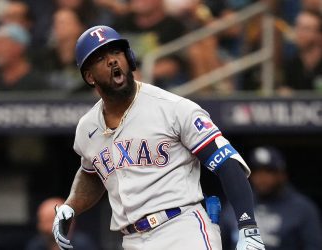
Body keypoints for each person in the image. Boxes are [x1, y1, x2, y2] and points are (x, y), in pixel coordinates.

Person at [52, 25, 265, 250]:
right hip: (132, 239)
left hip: (182, 229)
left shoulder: (173, 108)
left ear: (129, 58)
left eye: (116, 52)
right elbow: (92, 173)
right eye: (101, 58)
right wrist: (71, 205)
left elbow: (227, 163)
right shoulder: (87, 127)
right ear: (89, 76)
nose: (112, 61)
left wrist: (248, 227)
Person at [220, 146, 322, 250]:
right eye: (257, 171)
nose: (262, 178)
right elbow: (219, 242)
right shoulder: (237, 202)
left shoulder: (303, 208)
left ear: (282, 174)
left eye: (269, 172)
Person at [26, 197, 98, 250]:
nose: (44, 227)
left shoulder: (83, 245)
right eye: (41, 221)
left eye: (49, 221)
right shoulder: (36, 245)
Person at [280, 9, 322, 92]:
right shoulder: (291, 64)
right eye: (298, 27)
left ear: (319, 35)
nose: (299, 33)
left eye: (306, 29)